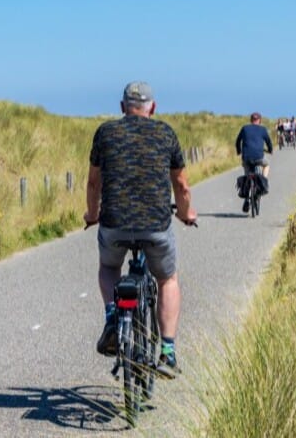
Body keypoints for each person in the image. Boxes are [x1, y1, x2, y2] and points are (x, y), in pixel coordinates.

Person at [83, 81, 197, 379]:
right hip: (156, 226)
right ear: (153, 108)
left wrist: (92, 214)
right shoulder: (165, 133)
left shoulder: (106, 132)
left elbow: (94, 182)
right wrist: (186, 214)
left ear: (122, 107)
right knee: (167, 279)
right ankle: (168, 352)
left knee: (109, 267)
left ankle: (112, 317)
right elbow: (181, 185)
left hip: (114, 223)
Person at [235, 112, 273, 212]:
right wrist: (270, 150)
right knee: (266, 165)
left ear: (251, 120)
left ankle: (247, 198)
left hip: (246, 157)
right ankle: (263, 182)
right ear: (259, 120)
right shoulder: (263, 129)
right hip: (259, 157)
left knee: (247, 175)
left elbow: (238, 141)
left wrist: (239, 151)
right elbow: (268, 141)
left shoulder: (244, 128)